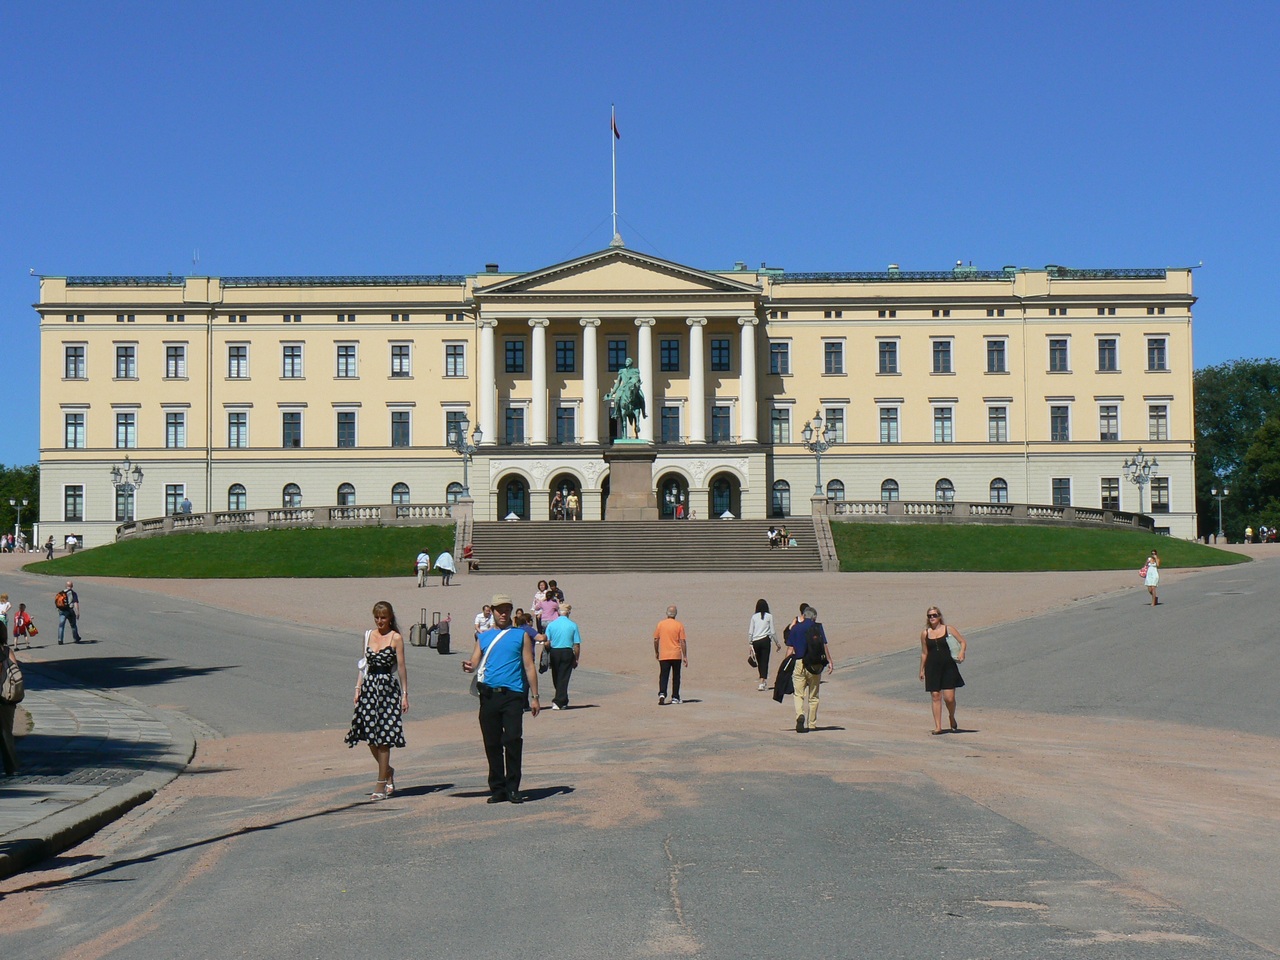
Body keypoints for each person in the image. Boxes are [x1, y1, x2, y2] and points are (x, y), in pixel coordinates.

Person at [463, 593, 541, 803]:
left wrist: (534, 696)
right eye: (500, 610)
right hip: (489, 695)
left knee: (513, 739)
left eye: (507, 609)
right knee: (492, 743)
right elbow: (474, 662)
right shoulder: (483, 637)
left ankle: (513, 787)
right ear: (492, 611)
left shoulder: (520, 635)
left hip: (513, 695)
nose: (503, 613)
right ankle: (498, 788)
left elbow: (529, 666)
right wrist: (468, 666)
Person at [345, 601, 408, 800]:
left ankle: (380, 785)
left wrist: (405, 694)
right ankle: (387, 770)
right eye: (377, 617)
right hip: (370, 688)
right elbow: (364, 665)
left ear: (390, 618)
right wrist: (358, 687)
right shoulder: (368, 635)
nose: (380, 621)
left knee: (384, 738)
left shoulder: (396, 638)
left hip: (388, 690)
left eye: (383, 617)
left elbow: (402, 668)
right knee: (370, 737)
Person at [919, 605, 966, 735]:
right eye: (930, 616)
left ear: (939, 616)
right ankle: (938, 727)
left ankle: (951, 716)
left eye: (934, 615)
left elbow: (962, 642)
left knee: (949, 698)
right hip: (932, 668)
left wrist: (961, 653)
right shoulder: (925, 634)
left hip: (948, 667)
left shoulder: (948, 629)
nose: (932, 618)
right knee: (935, 696)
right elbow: (924, 653)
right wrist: (921, 670)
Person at [786, 605, 832, 732]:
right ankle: (811, 723)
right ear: (814, 617)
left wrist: (786, 666)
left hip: (800, 663)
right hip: (815, 663)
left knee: (799, 694)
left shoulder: (795, 629)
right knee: (813, 695)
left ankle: (800, 714)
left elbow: (790, 649)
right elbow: (824, 645)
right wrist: (829, 661)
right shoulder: (817, 627)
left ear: (804, 616)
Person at [544, 602, 582, 710]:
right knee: (564, 677)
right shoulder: (573, 625)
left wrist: (547, 651)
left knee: (556, 675)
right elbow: (577, 645)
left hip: (554, 651)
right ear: (568, 612)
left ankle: (562, 699)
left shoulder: (551, 625)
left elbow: (547, 642)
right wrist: (576, 658)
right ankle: (559, 700)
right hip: (567, 651)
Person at [653, 605, 688, 705]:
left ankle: (662, 693)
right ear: (675, 614)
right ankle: (675, 697)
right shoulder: (679, 625)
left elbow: (656, 639)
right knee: (676, 676)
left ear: (666, 613)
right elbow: (682, 641)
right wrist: (685, 656)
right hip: (676, 655)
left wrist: (656, 651)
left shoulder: (661, 624)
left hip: (664, 654)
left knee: (664, 675)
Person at [747, 598, 780, 691]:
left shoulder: (754, 617)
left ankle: (762, 679)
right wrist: (777, 642)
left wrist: (750, 643)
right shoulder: (769, 616)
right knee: (765, 661)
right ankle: (762, 681)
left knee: (759, 661)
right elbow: (772, 631)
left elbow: (750, 632)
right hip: (765, 640)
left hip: (756, 641)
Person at [0, 623, 19, 774]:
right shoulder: (7, 651)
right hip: (6, 698)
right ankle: (11, 767)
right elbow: (16, 673)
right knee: (6, 733)